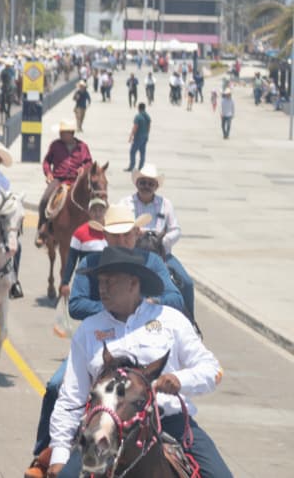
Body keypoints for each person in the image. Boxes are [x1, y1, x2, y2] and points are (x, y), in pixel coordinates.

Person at [41, 246, 229, 478]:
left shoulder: (171, 320)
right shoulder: (88, 330)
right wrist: (59, 453)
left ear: (133, 283)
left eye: (110, 281)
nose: (102, 288)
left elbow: (212, 369)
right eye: (100, 281)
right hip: (105, 428)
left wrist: (179, 380)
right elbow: (71, 397)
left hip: (170, 423)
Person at [25, 204, 185, 471]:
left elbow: (176, 298)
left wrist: (141, 303)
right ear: (105, 236)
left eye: (126, 234)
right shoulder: (91, 263)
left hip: (143, 344)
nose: (121, 240)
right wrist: (113, 305)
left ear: (136, 233)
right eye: (114, 235)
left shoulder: (152, 262)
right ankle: (45, 453)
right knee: (55, 387)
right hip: (100, 343)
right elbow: (76, 304)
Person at [123, 164, 193, 321]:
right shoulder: (126, 203)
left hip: (162, 254)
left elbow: (176, 230)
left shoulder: (166, 204)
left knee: (187, 283)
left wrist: (162, 241)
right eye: (143, 182)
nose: (146, 186)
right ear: (136, 183)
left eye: (150, 183)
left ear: (156, 186)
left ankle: (190, 321)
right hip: (135, 254)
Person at [38, 120, 93, 239]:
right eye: (61, 132)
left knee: (92, 200)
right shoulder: (55, 145)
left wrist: (83, 169)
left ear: (71, 133)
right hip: (59, 179)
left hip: (76, 180)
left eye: (64, 133)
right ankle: (43, 227)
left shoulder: (82, 147)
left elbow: (89, 162)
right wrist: (48, 173)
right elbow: (47, 161)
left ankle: (93, 228)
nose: (61, 135)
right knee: (45, 199)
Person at [126, 102, 151, 171]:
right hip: (145, 137)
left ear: (138, 108)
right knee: (142, 152)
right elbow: (149, 126)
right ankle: (141, 167)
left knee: (132, 151)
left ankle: (132, 166)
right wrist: (147, 134)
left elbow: (135, 127)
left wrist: (131, 135)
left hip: (138, 137)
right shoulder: (147, 116)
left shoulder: (138, 116)